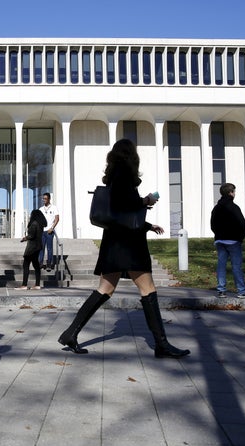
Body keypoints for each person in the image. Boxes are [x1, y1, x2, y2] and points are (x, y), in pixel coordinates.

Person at [57, 139, 190, 359]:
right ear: (131, 155)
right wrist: (145, 200)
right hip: (128, 245)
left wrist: (148, 224)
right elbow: (124, 207)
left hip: (115, 242)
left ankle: (70, 333)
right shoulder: (123, 175)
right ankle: (162, 344)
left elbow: (122, 215)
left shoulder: (116, 175)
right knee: (148, 289)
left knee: (105, 290)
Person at [210, 183, 245, 298]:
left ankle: (221, 290)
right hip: (233, 241)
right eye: (234, 192)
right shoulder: (234, 207)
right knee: (236, 266)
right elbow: (241, 223)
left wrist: (218, 234)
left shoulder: (216, 208)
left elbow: (213, 224)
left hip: (220, 241)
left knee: (221, 266)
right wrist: (240, 237)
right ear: (231, 193)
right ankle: (241, 291)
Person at [15, 209, 47, 290]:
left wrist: (24, 238)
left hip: (32, 247)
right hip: (38, 246)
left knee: (26, 265)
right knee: (36, 265)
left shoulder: (34, 224)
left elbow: (31, 236)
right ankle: (37, 284)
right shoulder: (40, 224)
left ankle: (24, 285)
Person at [39, 192, 60, 271]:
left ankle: (49, 264)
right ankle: (40, 263)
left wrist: (52, 228)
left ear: (49, 199)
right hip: (42, 232)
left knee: (49, 249)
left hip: (49, 231)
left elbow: (57, 219)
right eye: (43, 198)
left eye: (45, 199)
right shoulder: (41, 209)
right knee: (41, 248)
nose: (44, 200)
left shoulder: (54, 208)